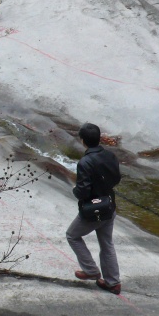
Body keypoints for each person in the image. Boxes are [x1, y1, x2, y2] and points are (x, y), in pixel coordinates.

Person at [66, 122, 122, 294]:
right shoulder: (110, 155)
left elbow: (82, 191)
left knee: (72, 235)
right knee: (107, 243)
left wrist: (75, 191)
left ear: (82, 140)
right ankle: (113, 282)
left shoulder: (85, 162)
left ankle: (91, 270)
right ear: (99, 138)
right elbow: (117, 178)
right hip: (109, 205)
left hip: (93, 210)